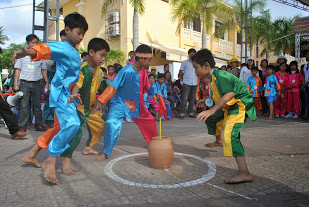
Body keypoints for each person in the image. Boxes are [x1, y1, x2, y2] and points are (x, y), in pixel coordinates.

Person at [18, 12, 88, 184]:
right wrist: (28, 51)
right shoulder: (64, 47)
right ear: (67, 30)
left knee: (58, 129)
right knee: (72, 124)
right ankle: (51, 158)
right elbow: (46, 48)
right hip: (62, 96)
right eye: (78, 33)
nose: (81, 37)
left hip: (69, 96)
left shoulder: (73, 50)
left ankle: (31, 155)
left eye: (83, 34)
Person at [193, 49, 256, 184]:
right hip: (228, 105)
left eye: (196, 67)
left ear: (206, 66)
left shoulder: (221, 75)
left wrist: (213, 109)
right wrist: (205, 101)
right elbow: (219, 95)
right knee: (211, 119)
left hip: (238, 105)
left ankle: (245, 173)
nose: (195, 71)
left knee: (230, 134)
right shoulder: (212, 77)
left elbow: (229, 94)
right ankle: (218, 141)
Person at [92, 44, 158, 161]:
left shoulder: (143, 72)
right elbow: (113, 87)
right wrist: (101, 100)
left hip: (134, 105)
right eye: (149, 60)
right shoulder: (125, 71)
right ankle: (106, 152)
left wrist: (156, 95)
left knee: (149, 120)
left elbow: (147, 86)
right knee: (111, 124)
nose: (150, 63)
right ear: (142, 58)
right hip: (119, 103)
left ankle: (155, 145)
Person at [60, 38, 110, 176]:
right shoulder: (82, 68)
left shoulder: (100, 72)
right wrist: (75, 95)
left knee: (99, 127)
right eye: (101, 55)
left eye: (105, 56)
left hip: (92, 107)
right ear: (91, 52)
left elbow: (101, 88)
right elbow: (77, 85)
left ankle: (88, 147)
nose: (103, 59)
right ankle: (66, 160)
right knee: (77, 133)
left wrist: (99, 103)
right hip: (79, 107)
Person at [13, 34, 48, 132]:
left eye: (36, 42)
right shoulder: (21, 56)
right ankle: (22, 126)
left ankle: (38, 125)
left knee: (37, 106)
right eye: (32, 42)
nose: (34, 44)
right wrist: (15, 84)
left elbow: (44, 70)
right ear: (28, 43)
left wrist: (46, 82)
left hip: (37, 83)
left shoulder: (40, 56)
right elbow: (18, 70)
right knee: (24, 106)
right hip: (24, 83)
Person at [179, 48, 197, 119]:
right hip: (186, 82)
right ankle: (182, 113)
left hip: (194, 82)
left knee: (192, 98)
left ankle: (190, 112)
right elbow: (180, 71)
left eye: (193, 52)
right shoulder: (185, 62)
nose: (192, 54)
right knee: (184, 98)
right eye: (191, 52)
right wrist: (184, 78)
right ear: (188, 54)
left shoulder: (197, 62)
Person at [303, 51, 309, 120]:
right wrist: (304, 81)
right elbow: (304, 74)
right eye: (307, 54)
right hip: (306, 86)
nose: (308, 56)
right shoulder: (305, 65)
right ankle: (307, 114)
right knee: (307, 100)